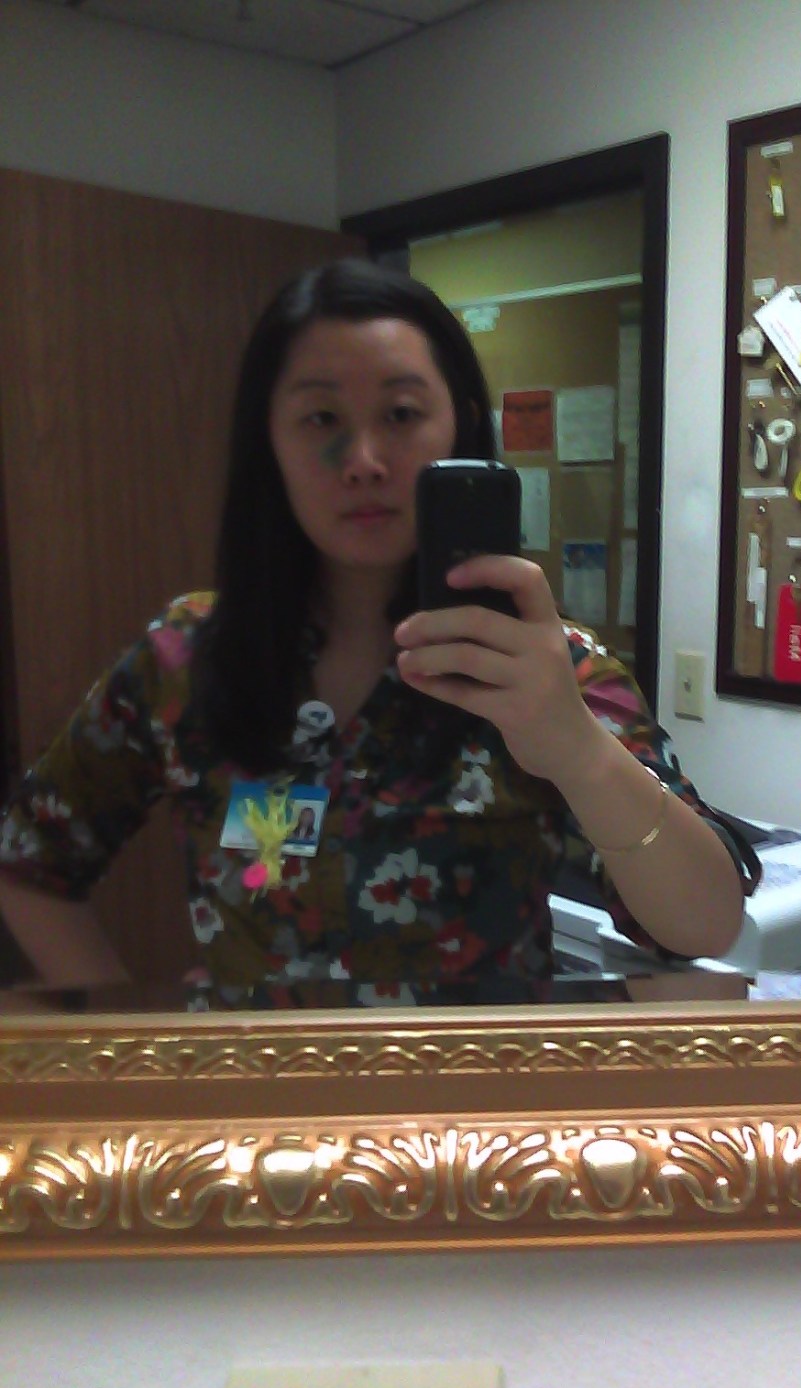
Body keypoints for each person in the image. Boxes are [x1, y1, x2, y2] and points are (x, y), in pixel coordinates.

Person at [0, 259, 760, 1009]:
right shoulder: (184, 660)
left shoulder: (545, 666)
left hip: (478, 1089)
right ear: (269, 440)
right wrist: (122, 1044)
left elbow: (705, 927)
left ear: (460, 425)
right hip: (257, 1089)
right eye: (322, 419)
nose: (363, 461)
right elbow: (27, 863)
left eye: (400, 415)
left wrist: (576, 749)